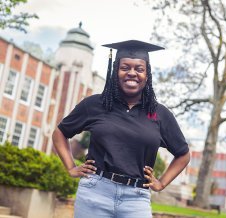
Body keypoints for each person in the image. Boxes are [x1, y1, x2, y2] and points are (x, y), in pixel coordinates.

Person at [52, 40, 190, 218]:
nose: (132, 73)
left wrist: (161, 183)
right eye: (125, 67)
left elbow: (183, 154)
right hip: (95, 192)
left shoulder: (160, 114)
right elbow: (60, 133)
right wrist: (71, 167)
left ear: (147, 75)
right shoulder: (95, 104)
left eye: (139, 69)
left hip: (136, 198)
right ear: (115, 71)